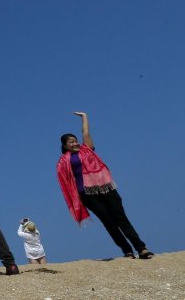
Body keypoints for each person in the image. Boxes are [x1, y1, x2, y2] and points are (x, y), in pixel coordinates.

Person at [57, 111, 154, 260]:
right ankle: (127, 251)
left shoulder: (87, 149)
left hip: (106, 188)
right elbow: (66, 183)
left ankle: (141, 248)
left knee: (121, 218)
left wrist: (84, 117)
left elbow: (86, 132)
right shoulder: (63, 162)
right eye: (71, 142)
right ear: (65, 146)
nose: (75, 143)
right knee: (109, 222)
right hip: (87, 194)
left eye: (75, 140)